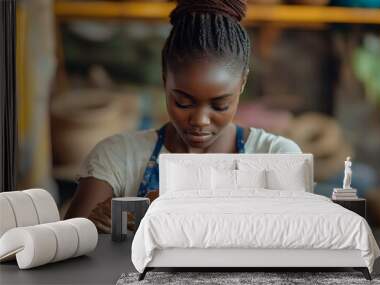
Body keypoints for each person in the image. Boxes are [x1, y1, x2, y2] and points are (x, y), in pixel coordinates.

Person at [65, 0, 302, 233]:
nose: (200, 120)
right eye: (183, 102)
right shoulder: (117, 157)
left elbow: (299, 244)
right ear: (164, 77)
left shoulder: (276, 157)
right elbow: (70, 245)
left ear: (242, 84)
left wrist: (160, 206)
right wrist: (98, 225)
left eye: (219, 105)